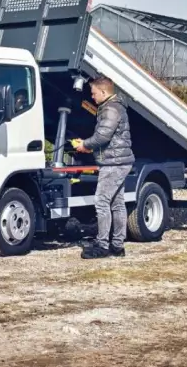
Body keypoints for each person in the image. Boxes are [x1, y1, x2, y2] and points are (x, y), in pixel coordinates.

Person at [73, 76, 135, 259]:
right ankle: (117, 245)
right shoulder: (115, 107)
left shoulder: (110, 109)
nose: (92, 97)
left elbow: (102, 136)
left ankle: (102, 246)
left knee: (101, 202)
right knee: (117, 203)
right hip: (119, 161)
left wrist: (84, 144)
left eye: (93, 93)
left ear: (103, 91)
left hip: (114, 163)